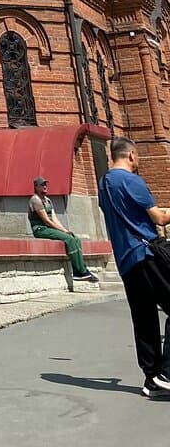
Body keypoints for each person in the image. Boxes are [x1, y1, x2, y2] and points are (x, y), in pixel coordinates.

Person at [98, 135, 170, 398]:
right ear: (130, 155)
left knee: (144, 319)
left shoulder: (104, 184)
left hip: (126, 261)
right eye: (137, 156)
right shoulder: (132, 180)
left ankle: (152, 380)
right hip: (146, 254)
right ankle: (167, 373)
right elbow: (159, 218)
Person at [28, 176, 98, 283]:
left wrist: (65, 230)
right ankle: (82, 271)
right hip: (40, 229)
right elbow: (47, 221)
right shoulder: (35, 200)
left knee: (75, 239)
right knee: (69, 239)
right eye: (42, 185)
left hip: (49, 227)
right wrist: (64, 232)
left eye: (45, 184)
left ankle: (78, 271)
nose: (45, 186)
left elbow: (54, 218)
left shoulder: (48, 200)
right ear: (36, 187)